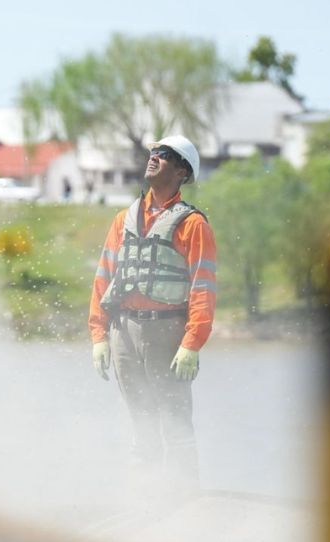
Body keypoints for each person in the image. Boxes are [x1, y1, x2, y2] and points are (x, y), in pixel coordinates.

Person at [87, 135, 217, 498]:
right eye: (154, 152)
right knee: (140, 421)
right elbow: (103, 277)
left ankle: (186, 498)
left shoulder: (193, 225)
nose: (155, 157)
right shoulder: (123, 220)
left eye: (166, 155)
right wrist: (99, 336)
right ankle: (144, 498)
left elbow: (203, 287)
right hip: (123, 332)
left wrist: (191, 344)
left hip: (167, 333)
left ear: (182, 172)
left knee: (175, 421)